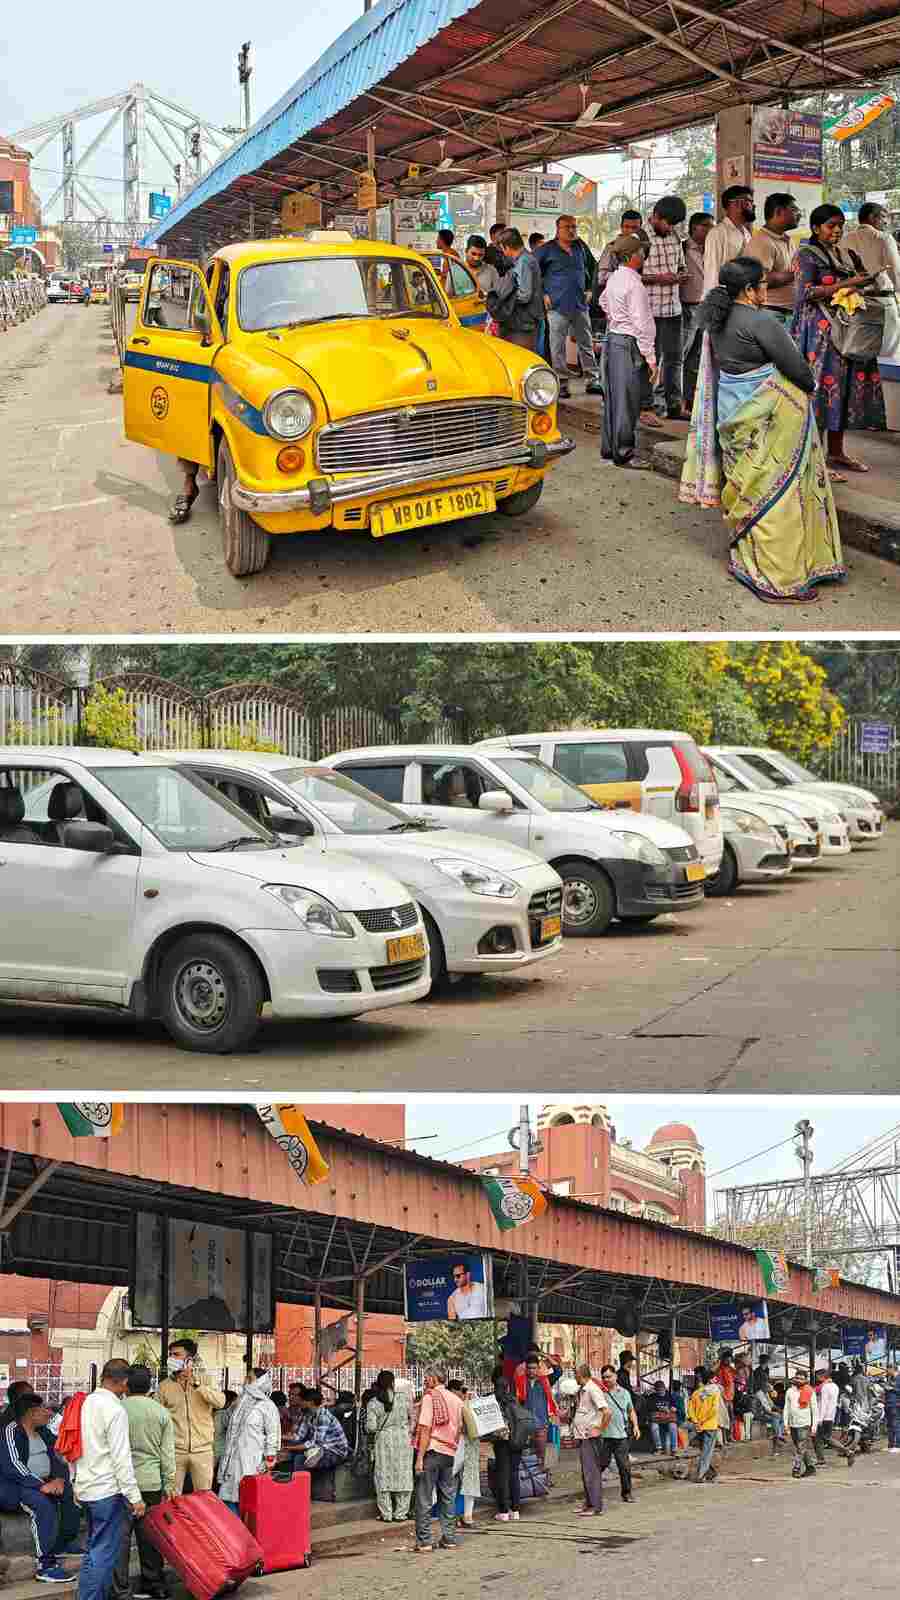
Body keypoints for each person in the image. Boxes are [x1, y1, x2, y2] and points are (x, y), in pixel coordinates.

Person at [680, 256, 846, 604]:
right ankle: (776, 579)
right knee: (777, 496)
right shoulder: (760, 321)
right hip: (766, 416)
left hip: (732, 412)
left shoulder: (717, 318)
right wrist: (809, 386)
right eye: (764, 285)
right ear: (751, 290)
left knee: (746, 487)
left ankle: (746, 564)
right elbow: (798, 370)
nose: (766, 290)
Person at [790, 203, 885, 478]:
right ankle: (813, 458)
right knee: (821, 392)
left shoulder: (846, 253)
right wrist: (847, 284)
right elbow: (806, 293)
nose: (837, 230)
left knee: (841, 392)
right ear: (816, 227)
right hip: (819, 334)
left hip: (848, 331)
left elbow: (863, 281)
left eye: (840, 225)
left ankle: (836, 452)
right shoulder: (806, 255)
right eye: (831, 225)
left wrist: (867, 280)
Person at [74, 1360, 145, 1600]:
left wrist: (76, 1480)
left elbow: (73, 1447)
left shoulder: (85, 1404)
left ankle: (88, 1595)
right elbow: (121, 1459)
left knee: (94, 1552)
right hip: (107, 1492)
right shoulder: (115, 1410)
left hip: (86, 1489)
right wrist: (135, 1497)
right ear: (124, 1382)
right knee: (103, 1554)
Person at [0, 1391, 82, 1584]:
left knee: (72, 1494)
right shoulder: (11, 1431)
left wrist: (60, 1480)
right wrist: (41, 1485)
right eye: (43, 1409)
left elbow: (59, 1456)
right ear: (31, 1413)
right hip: (16, 1486)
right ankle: (44, 1565)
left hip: (44, 1483)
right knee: (42, 1505)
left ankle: (62, 1544)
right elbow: (13, 1466)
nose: (48, 1412)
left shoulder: (44, 1432)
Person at [115, 1366, 175, 1600]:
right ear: (150, 1386)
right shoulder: (160, 1412)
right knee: (150, 1538)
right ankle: (155, 1584)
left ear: (126, 1385)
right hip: (151, 1484)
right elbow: (167, 1453)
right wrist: (169, 1483)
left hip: (122, 1484)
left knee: (120, 1540)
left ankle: (120, 1590)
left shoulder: (118, 1410)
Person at [598, 233, 657, 468]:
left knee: (612, 397)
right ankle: (624, 453)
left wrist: (615, 317)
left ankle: (609, 447)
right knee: (627, 402)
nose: (644, 255)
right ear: (632, 256)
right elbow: (643, 324)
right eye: (641, 252)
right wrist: (650, 356)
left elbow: (603, 301)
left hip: (612, 340)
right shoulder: (634, 284)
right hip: (627, 342)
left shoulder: (614, 278)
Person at [537, 213, 601, 398]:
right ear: (558, 230)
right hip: (557, 305)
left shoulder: (580, 246)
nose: (572, 230)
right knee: (557, 346)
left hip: (580, 304)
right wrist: (543, 294)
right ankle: (562, 382)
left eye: (574, 227)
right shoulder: (546, 249)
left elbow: (593, 266)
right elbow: (534, 272)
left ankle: (592, 379)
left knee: (586, 343)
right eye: (568, 227)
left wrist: (590, 288)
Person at [641, 194, 688, 421]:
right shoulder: (639, 238)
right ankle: (648, 407)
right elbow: (629, 276)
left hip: (673, 309)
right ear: (656, 216)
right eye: (667, 222)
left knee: (674, 359)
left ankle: (674, 406)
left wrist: (680, 275)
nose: (669, 227)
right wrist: (658, 278)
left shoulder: (675, 236)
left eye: (673, 224)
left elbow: (681, 266)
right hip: (650, 310)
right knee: (650, 361)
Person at [157, 1341, 224, 1495]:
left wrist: (196, 1384)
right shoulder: (164, 1386)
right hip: (175, 1451)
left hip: (202, 1450)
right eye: (170, 1355)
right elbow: (158, 1416)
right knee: (171, 1496)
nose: (171, 1358)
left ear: (189, 1360)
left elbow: (220, 1402)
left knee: (204, 1497)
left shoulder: (206, 1380)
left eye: (176, 1355)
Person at [216, 1369, 281, 1517]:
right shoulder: (239, 1402)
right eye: (246, 1377)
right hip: (232, 1459)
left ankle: (248, 1535)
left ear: (260, 1381)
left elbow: (273, 1435)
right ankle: (234, 1534)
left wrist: (269, 1459)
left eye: (250, 1378)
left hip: (252, 1460)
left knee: (249, 1500)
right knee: (228, 1497)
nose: (246, 1381)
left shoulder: (267, 1406)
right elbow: (226, 1423)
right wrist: (232, 1407)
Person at [412, 1369, 463, 1554]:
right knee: (448, 1496)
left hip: (432, 1451)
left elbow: (425, 1429)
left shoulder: (429, 1398)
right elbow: (459, 1428)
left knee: (424, 1498)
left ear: (433, 1379)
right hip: (448, 1452)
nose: (425, 1381)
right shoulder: (457, 1400)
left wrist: (419, 1458)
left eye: (426, 1378)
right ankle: (449, 1538)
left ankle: (425, 1541)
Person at [745, 193, 802, 325]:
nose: (799, 214)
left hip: (786, 312)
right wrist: (797, 274)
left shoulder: (787, 239)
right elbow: (760, 279)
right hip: (771, 312)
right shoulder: (762, 241)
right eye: (794, 210)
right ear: (778, 212)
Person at [365, 1370, 413, 1524]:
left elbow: (371, 1427)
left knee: (383, 1475)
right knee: (403, 1474)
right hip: (403, 1441)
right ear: (393, 1382)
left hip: (384, 1442)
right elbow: (413, 1419)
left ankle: (386, 1514)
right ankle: (401, 1513)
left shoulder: (373, 1403)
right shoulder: (404, 1399)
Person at [491, 228, 546, 352]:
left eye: (502, 250)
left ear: (507, 247)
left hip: (525, 321)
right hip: (527, 319)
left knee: (522, 357)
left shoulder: (523, 262)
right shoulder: (526, 259)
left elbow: (525, 294)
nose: (503, 253)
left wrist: (505, 300)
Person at [489, 1369, 532, 1524]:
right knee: (514, 1474)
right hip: (518, 1441)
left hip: (502, 1442)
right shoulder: (515, 1400)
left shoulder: (495, 1401)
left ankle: (503, 1511)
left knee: (502, 1475)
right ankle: (515, 1510)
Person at [681, 212, 713, 412]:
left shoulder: (711, 249)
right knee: (681, 354)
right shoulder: (682, 248)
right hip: (686, 307)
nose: (710, 230)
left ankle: (690, 400)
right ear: (694, 228)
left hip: (705, 307)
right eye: (706, 226)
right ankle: (672, 401)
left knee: (697, 358)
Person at [570, 1364, 610, 1517]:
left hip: (590, 1437)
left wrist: (600, 1429)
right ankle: (588, 1503)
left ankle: (595, 1506)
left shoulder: (593, 1389)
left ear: (580, 1375)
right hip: (582, 1436)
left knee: (592, 1472)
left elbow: (607, 1412)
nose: (574, 1377)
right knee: (586, 1472)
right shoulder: (583, 1390)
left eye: (575, 1374)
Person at [596, 1365, 639, 1502]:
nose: (606, 1379)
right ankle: (593, 1493)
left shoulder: (624, 1393)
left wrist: (636, 1426)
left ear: (615, 1376)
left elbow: (631, 1410)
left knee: (624, 1466)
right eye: (603, 1377)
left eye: (609, 1376)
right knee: (600, 1465)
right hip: (604, 1436)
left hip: (621, 1436)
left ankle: (627, 1493)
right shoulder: (599, 1393)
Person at [703, 184, 755, 296]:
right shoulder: (717, 233)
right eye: (749, 202)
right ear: (736, 203)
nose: (753, 206)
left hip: (742, 298)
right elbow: (712, 272)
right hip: (722, 301)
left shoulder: (746, 234)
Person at [289, 1387, 349, 1480]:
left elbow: (316, 1443)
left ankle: (300, 1488)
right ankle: (315, 1455)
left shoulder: (323, 1417)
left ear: (310, 1402)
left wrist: (290, 1448)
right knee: (296, 1453)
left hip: (335, 1451)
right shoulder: (308, 1415)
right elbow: (298, 1436)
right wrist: (282, 1439)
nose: (300, 1403)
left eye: (302, 1401)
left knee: (300, 1459)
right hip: (321, 1446)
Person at [514, 1353, 560, 1467]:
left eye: (534, 1368)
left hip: (541, 1424)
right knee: (525, 1456)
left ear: (538, 1368)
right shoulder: (520, 1382)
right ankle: (528, 1481)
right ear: (526, 1368)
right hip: (525, 1425)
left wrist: (544, 1355)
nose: (531, 1371)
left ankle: (542, 1479)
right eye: (529, 1368)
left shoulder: (545, 1381)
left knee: (541, 1456)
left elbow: (558, 1371)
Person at [842, 202, 900, 292]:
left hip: (854, 297)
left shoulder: (844, 240)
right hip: (883, 299)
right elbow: (895, 272)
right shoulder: (884, 238)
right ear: (872, 217)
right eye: (883, 217)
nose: (886, 222)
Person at [445, 1380, 479, 1529]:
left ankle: (458, 1516)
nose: (462, 1393)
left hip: (459, 1445)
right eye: (461, 1390)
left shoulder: (457, 1404)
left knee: (449, 1478)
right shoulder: (466, 1405)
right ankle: (466, 1516)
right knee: (465, 1479)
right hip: (467, 1445)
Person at [783, 1370, 822, 1477]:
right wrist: (785, 1424)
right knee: (801, 1448)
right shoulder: (789, 1391)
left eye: (801, 1378)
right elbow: (786, 1408)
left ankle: (796, 1468)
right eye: (797, 1378)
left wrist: (814, 1426)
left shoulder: (810, 1391)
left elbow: (814, 1410)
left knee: (800, 1447)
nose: (798, 1380)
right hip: (793, 1424)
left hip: (805, 1424)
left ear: (806, 1380)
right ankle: (810, 1467)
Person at [687, 1368, 720, 1483]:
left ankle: (711, 1472)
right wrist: (704, 1422)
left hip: (698, 1426)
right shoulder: (715, 1391)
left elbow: (690, 1410)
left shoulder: (696, 1393)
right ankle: (700, 1475)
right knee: (707, 1451)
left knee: (704, 1451)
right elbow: (714, 1410)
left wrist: (697, 1422)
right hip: (710, 1425)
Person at [212, 1391, 238, 1482]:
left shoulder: (212, 1413)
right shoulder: (224, 1415)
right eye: (234, 1402)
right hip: (221, 1454)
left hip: (212, 1452)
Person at [648, 1381, 678, 1456]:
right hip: (657, 1419)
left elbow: (675, 1406)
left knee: (673, 1427)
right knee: (654, 1427)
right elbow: (649, 1407)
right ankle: (659, 1448)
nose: (660, 1391)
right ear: (655, 1390)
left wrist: (673, 1408)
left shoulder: (669, 1396)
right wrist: (661, 1408)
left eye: (662, 1389)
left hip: (668, 1418)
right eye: (658, 1390)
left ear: (665, 1388)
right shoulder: (652, 1396)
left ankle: (674, 1449)